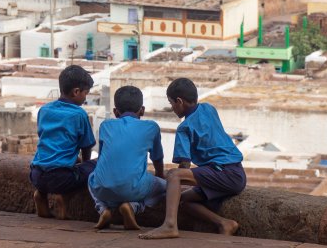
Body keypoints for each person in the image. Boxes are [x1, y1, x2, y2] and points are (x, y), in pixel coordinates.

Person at [140, 78, 245, 240]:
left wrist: (168, 181)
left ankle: (169, 225)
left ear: (179, 101)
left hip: (224, 173)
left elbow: (184, 166)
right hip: (235, 172)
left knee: (174, 175)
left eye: (171, 103)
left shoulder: (184, 128)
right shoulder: (209, 108)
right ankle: (224, 223)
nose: (172, 108)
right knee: (183, 201)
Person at [89, 86, 165, 231]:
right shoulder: (151, 127)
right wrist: (160, 176)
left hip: (102, 189)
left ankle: (103, 209)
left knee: (91, 177)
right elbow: (157, 159)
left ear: (115, 112)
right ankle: (133, 207)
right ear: (142, 110)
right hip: (134, 188)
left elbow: (103, 157)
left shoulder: (105, 125)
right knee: (168, 188)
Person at [30, 65, 96, 219]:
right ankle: (63, 197)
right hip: (60, 178)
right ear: (76, 92)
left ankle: (41, 194)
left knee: (61, 166)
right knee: (96, 165)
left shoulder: (44, 110)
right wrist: (84, 166)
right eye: (86, 93)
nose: (86, 98)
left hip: (36, 174)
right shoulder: (79, 115)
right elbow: (86, 146)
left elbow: (47, 139)